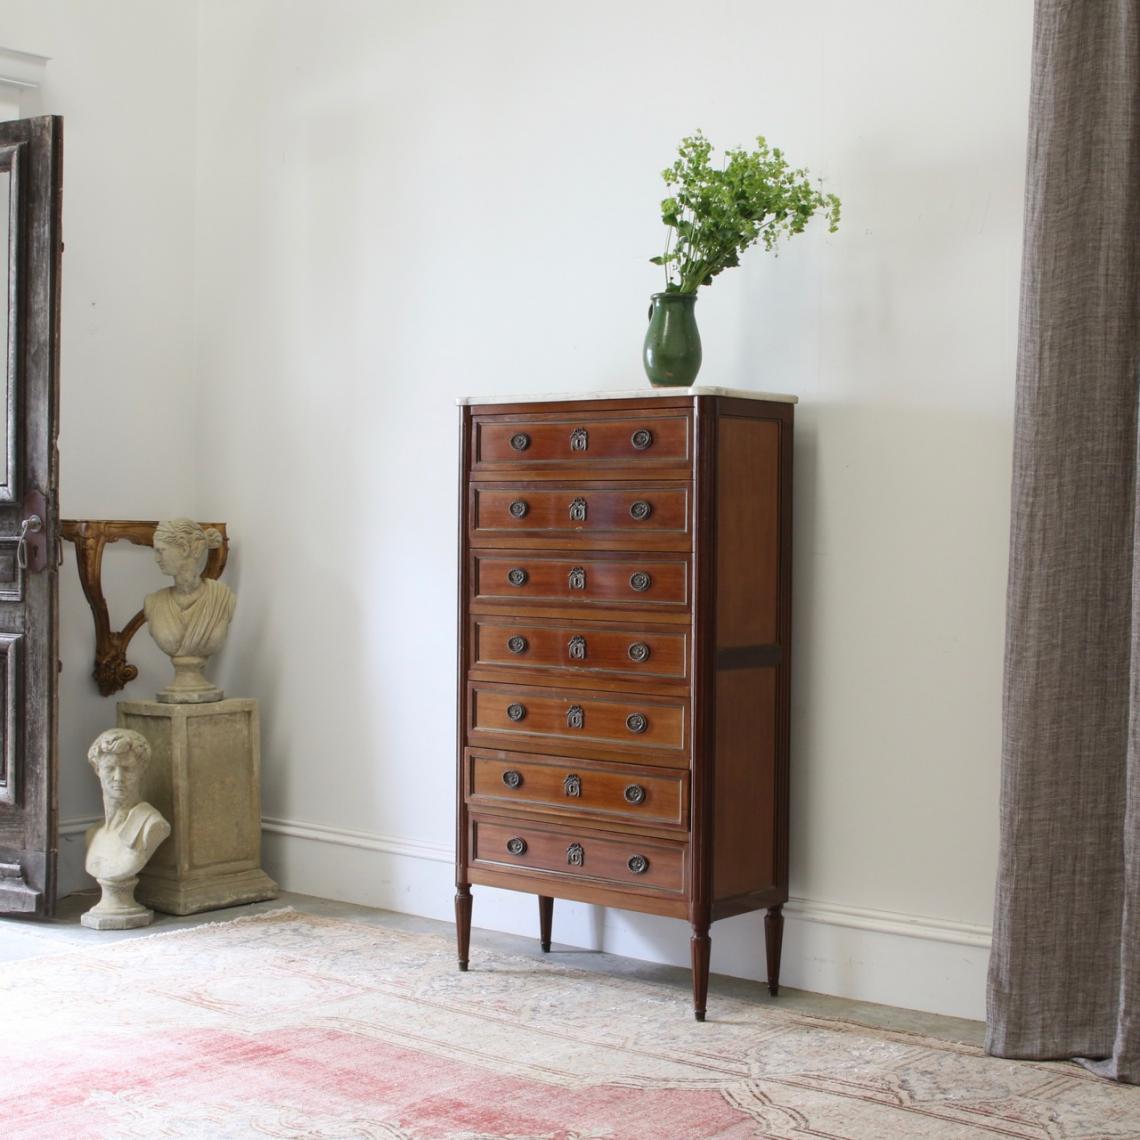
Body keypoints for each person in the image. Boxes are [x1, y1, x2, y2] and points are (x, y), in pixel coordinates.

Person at [82, 729, 170, 929]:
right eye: (110, 768)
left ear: (141, 770)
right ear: (97, 769)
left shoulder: (151, 825)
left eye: (128, 769)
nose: (118, 777)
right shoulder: (93, 834)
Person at [145, 518, 236, 700]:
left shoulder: (222, 598)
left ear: (185, 549)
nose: (156, 559)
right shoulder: (153, 602)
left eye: (161, 551)